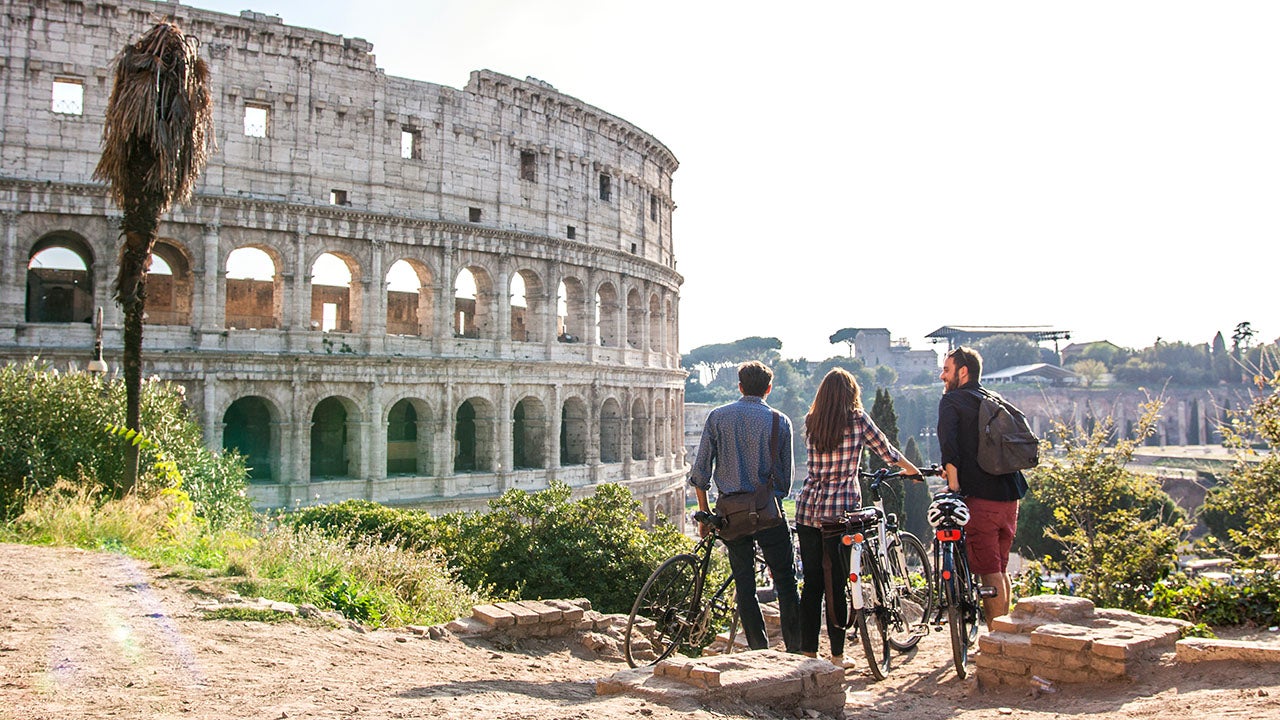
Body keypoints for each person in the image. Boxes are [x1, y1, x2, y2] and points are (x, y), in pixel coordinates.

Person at [794, 368, 920, 667]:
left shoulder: (812, 421)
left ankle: (809, 653)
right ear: (851, 394)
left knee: (812, 583)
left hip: (808, 509)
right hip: (840, 514)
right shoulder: (858, 419)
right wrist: (913, 470)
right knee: (836, 583)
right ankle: (837, 656)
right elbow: (887, 452)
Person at [689, 360, 800, 653]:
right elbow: (785, 482)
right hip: (768, 512)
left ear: (739, 387)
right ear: (769, 389)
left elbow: (700, 473)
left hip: (731, 514)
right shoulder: (780, 421)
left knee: (745, 586)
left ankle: (758, 650)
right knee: (786, 582)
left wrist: (706, 516)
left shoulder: (717, 417)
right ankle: (796, 650)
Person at [937, 346, 1029, 627]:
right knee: (1000, 568)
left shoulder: (952, 401)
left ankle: (995, 642)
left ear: (962, 372)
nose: (942, 376)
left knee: (989, 572)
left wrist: (953, 487)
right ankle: (1005, 635)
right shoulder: (992, 398)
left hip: (981, 498)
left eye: (946, 370)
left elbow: (949, 448)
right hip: (1010, 494)